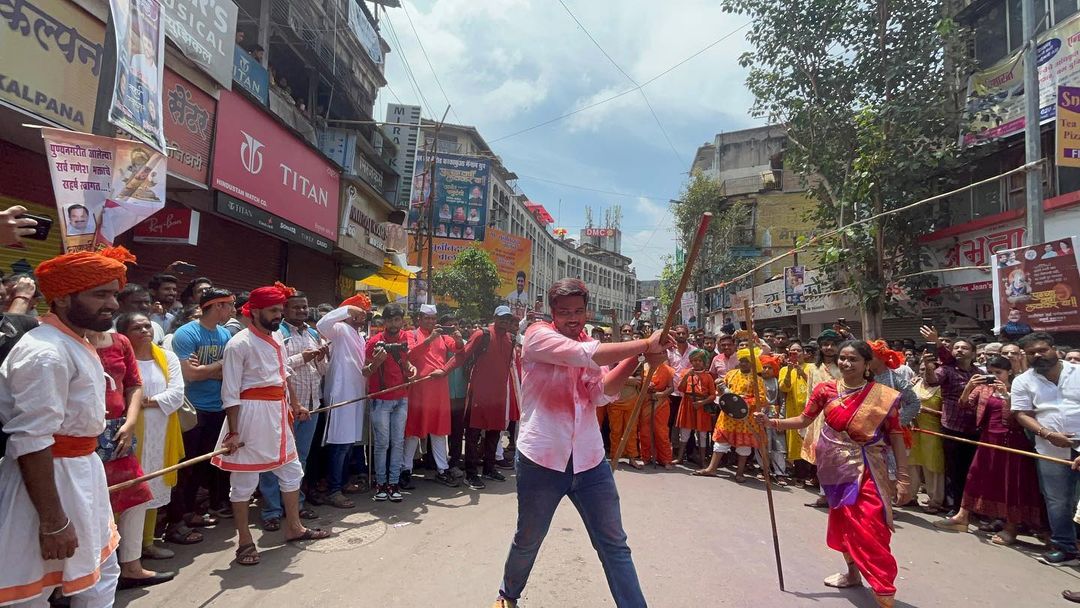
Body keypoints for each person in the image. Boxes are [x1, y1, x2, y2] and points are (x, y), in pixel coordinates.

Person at [491, 278, 669, 608]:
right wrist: (645, 344)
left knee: (614, 544)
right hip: (541, 460)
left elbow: (600, 394)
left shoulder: (588, 343)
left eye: (579, 311)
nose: (573, 318)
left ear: (587, 311)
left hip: (589, 462)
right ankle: (508, 595)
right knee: (528, 538)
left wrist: (639, 360)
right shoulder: (537, 337)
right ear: (552, 313)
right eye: (564, 312)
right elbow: (582, 356)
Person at [0, 246, 137, 605]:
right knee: (29, 591)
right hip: (50, 483)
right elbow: (31, 439)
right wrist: (54, 521)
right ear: (61, 298)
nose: (113, 304)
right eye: (100, 294)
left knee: (102, 572)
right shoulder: (46, 352)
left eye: (114, 294)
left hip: (82, 473)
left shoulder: (74, 341)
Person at [761, 340, 912, 608]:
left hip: (869, 470)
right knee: (843, 523)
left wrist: (902, 478)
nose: (845, 363)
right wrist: (772, 422)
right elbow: (804, 420)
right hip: (834, 469)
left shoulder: (883, 396)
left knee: (871, 527)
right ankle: (853, 574)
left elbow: (897, 437)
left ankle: (883, 588)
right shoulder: (825, 390)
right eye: (842, 358)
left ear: (867, 365)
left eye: (853, 359)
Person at [212, 283, 332, 566]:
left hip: (279, 413)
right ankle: (244, 542)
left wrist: (296, 404)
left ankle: (294, 527)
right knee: (244, 481)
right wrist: (234, 431)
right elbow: (230, 393)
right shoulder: (238, 344)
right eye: (273, 310)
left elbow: (283, 372)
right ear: (254, 312)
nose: (279, 315)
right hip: (250, 416)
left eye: (280, 310)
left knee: (292, 471)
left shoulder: (278, 336)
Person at [90, 310, 173, 590]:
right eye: (101, 296)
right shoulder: (68, 340)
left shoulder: (119, 343)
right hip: (79, 436)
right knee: (90, 505)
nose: (108, 304)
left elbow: (134, 385)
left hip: (119, 431)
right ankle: (83, 578)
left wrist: (130, 422)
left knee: (135, 497)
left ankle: (132, 567)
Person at [933, 355, 1045, 544]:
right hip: (987, 439)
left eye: (998, 373)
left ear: (1009, 372)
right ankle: (963, 516)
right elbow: (964, 405)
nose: (993, 377)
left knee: (1011, 485)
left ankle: (1011, 528)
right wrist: (969, 386)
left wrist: (1007, 396)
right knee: (975, 477)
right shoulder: (983, 389)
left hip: (1012, 441)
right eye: (990, 373)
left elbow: (1021, 416)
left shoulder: (1019, 388)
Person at [164, 288, 235, 543]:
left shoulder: (225, 333)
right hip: (193, 409)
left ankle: (193, 512)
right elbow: (190, 375)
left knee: (205, 465)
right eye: (228, 306)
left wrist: (208, 369)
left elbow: (230, 372)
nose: (232, 311)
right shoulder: (186, 333)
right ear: (217, 307)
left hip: (218, 407)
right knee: (187, 467)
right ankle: (176, 521)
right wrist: (217, 367)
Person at [117, 313, 185, 562]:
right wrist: (141, 406)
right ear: (124, 333)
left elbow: (177, 394)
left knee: (154, 483)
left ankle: (146, 543)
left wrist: (146, 402)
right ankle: (118, 551)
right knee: (127, 489)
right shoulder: (121, 359)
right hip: (129, 432)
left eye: (148, 325)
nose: (146, 330)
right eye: (138, 327)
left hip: (163, 431)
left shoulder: (167, 357)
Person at [1010, 332, 1080, 566]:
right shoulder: (1023, 380)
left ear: (1054, 349)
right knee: (1057, 500)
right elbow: (1021, 413)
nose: (1038, 355)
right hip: (1050, 449)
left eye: (1042, 350)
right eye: (1031, 353)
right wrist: (1048, 434)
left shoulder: (1077, 372)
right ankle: (1065, 548)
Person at [260, 291, 326, 525]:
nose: (302, 311)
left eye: (305, 307)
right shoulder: (278, 333)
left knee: (300, 459)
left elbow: (323, 371)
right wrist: (303, 358)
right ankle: (272, 511)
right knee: (273, 459)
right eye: (296, 307)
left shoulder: (313, 333)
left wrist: (321, 357)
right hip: (283, 407)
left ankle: (295, 505)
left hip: (311, 405)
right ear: (285, 310)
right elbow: (275, 366)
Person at [315, 295, 370, 508]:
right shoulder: (338, 329)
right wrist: (347, 310)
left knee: (348, 444)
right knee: (339, 444)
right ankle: (334, 490)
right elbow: (322, 324)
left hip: (355, 394)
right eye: (361, 312)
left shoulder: (358, 335)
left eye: (365, 312)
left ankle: (344, 482)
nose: (363, 316)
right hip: (341, 394)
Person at [455, 306, 518, 488]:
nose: (505, 322)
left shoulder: (511, 339)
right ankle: (471, 473)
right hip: (479, 392)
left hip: (499, 394)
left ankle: (489, 468)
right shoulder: (482, 335)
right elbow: (463, 355)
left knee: (494, 433)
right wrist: (444, 370)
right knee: (473, 434)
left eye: (507, 318)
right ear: (494, 318)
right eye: (502, 318)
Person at [920, 326, 980, 516]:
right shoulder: (946, 370)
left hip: (976, 428)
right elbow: (932, 381)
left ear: (974, 353)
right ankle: (954, 507)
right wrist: (929, 367)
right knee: (954, 470)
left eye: (964, 348)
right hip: (952, 427)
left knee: (974, 470)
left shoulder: (979, 373)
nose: (960, 350)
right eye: (957, 348)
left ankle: (971, 508)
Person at [363, 304, 414, 502]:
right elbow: (365, 371)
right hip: (381, 399)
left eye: (397, 320)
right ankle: (380, 484)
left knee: (398, 442)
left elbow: (408, 362)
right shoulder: (374, 342)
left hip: (401, 398)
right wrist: (376, 362)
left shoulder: (406, 339)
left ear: (402, 320)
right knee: (382, 444)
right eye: (390, 320)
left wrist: (412, 369)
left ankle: (394, 483)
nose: (394, 324)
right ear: (384, 322)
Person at [693, 348, 766, 482]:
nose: (743, 363)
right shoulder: (731, 374)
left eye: (746, 361)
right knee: (720, 442)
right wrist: (720, 389)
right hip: (727, 416)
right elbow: (720, 393)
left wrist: (744, 401)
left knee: (743, 446)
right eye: (742, 361)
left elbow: (761, 399)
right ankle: (711, 469)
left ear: (752, 363)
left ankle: (739, 472)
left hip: (745, 418)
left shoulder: (757, 379)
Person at [909, 359, 946, 514]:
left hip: (933, 431)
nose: (925, 372)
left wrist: (926, 411)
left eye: (929, 369)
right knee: (912, 464)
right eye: (922, 369)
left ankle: (935, 500)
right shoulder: (914, 385)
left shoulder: (942, 389)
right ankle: (909, 496)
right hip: (914, 430)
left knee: (933, 466)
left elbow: (946, 414)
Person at [673, 349, 715, 466]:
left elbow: (712, 395)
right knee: (685, 432)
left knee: (702, 433)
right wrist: (686, 376)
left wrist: (702, 402)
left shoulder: (708, 377)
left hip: (702, 406)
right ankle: (680, 457)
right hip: (687, 404)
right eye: (694, 360)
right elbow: (680, 389)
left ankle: (702, 460)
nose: (696, 363)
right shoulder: (687, 373)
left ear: (704, 362)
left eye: (699, 361)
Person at [779, 341, 813, 483]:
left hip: (811, 411)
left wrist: (802, 373)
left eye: (798, 350)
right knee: (796, 444)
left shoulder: (811, 367)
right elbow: (784, 388)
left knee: (811, 442)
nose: (796, 353)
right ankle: (800, 476)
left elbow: (815, 385)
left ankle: (814, 475)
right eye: (793, 351)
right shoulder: (784, 369)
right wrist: (788, 370)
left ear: (804, 353)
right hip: (794, 411)